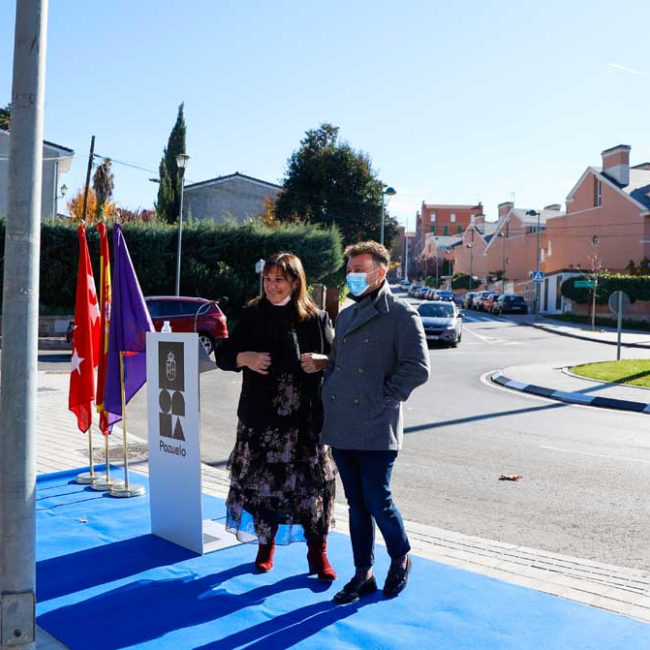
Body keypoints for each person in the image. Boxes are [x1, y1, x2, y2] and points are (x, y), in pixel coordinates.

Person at [215, 252, 337, 581]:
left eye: (279, 280)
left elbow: (339, 361)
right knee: (262, 488)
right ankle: (264, 546)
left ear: (295, 283)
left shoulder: (316, 318)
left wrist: (323, 361)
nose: (271, 286)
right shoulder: (253, 315)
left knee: (312, 490)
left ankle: (318, 553)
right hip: (261, 423)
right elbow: (223, 354)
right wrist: (245, 357)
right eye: (267, 279)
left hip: (305, 425)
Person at [321, 241, 430, 603]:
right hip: (342, 424)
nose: (351, 276)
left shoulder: (401, 314)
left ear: (380, 273)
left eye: (359, 270)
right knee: (356, 504)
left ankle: (400, 556)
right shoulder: (346, 315)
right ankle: (362, 573)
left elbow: (418, 368)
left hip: (377, 425)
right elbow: (335, 364)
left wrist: (382, 398)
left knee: (377, 499)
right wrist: (330, 389)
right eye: (349, 270)